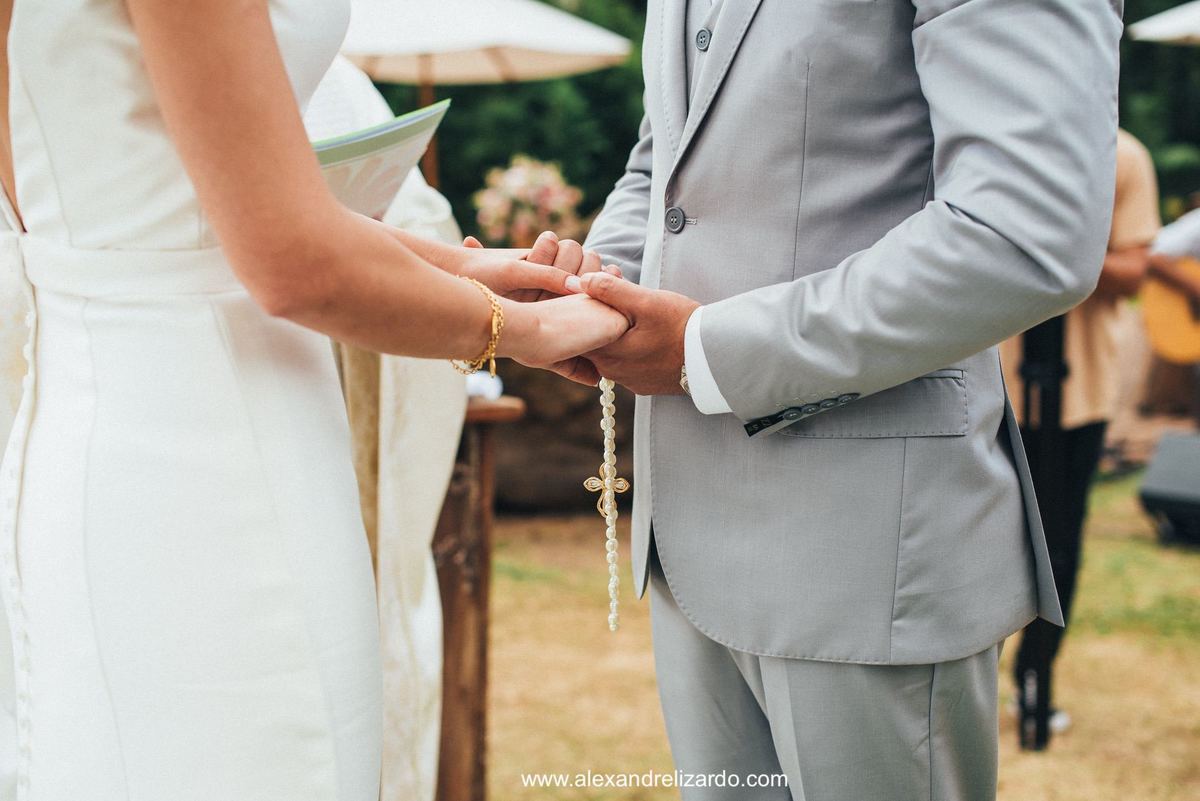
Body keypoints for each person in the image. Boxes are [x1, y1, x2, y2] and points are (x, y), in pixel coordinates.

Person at [0, 1, 626, 799]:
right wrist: (526, 330)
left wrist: (463, 270)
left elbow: (157, 218)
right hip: (217, 459)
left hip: (96, 437)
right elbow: (289, 260)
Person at [576, 1, 1122, 799]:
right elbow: (668, 156)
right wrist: (594, 285)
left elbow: (1023, 230)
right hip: (688, 542)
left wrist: (704, 353)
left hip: (866, 551)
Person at [1000, 128, 1162, 735]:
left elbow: (1133, 271)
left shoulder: (1123, 155)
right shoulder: (993, 133)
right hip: (988, 386)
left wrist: (1041, 247)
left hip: (1081, 391)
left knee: (1060, 545)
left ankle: (1035, 682)